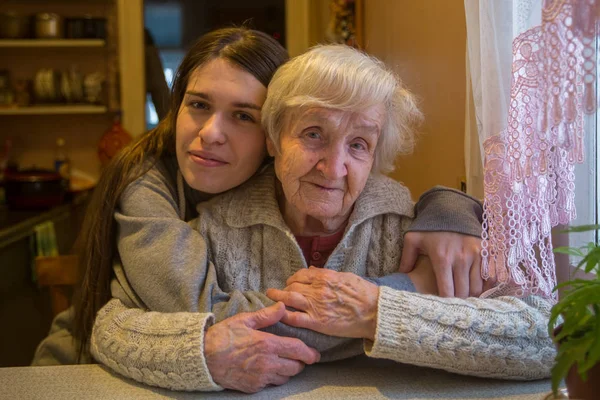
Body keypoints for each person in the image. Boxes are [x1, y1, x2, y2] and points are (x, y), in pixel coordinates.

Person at [32, 28, 484, 391]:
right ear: (278, 137)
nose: (210, 133)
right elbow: (191, 310)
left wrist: (451, 207)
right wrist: (405, 292)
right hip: (71, 370)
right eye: (199, 104)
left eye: (243, 115)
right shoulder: (146, 186)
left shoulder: (376, 210)